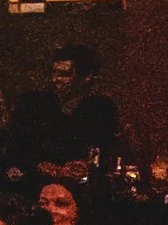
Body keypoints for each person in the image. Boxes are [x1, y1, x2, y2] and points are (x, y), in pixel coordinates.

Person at [10, 45, 122, 181]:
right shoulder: (32, 104)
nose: (54, 79)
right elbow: (16, 150)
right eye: (54, 73)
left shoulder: (101, 109)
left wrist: (85, 166)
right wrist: (53, 169)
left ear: (86, 77)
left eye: (64, 75)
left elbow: (105, 151)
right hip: (37, 183)